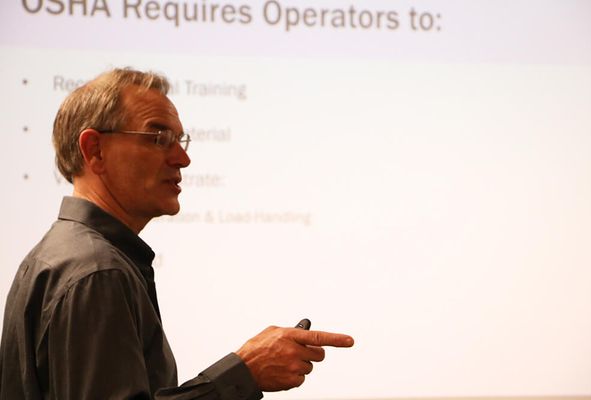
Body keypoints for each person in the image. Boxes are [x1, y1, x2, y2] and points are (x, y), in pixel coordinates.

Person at [0, 68, 353, 399]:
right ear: (95, 151)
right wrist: (245, 373)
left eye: (180, 139)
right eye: (158, 137)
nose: (182, 158)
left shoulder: (64, 255)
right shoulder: (97, 271)